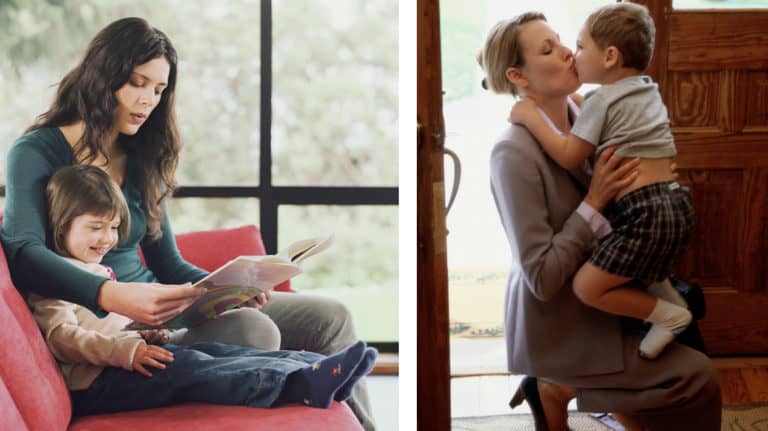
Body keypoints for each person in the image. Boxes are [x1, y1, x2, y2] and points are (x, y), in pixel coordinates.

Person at [0, 17, 376, 429]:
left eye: (159, 90)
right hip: (116, 324)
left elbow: (169, 265)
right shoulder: (37, 152)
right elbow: (23, 251)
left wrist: (231, 289)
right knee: (252, 330)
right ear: (102, 77)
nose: (148, 100)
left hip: (166, 304)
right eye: (138, 83)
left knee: (332, 317)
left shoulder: (142, 155)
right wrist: (110, 294)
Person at [478, 11, 721, 431]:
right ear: (518, 76)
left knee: (690, 344)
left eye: (563, 41)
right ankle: (556, 382)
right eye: (548, 49)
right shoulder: (512, 152)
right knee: (698, 377)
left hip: (609, 297)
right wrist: (594, 201)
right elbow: (541, 277)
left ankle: (561, 389)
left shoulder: (587, 112)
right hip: (563, 322)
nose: (567, 52)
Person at [27, 164, 377, 416]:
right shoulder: (52, 276)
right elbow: (61, 337)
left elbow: (108, 325)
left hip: (126, 362)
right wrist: (126, 351)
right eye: (96, 227)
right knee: (199, 366)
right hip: (97, 383)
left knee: (217, 354)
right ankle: (298, 384)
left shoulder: (95, 268)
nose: (107, 238)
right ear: (61, 225)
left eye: (114, 227)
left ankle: (316, 366)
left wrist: (145, 337)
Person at [508, 3, 694, 360]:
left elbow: (569, 155)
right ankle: (669, 300)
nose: (572, 54)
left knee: (587, 287)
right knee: (641, 263)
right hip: (675, 201)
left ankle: (668, 317)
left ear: (609, 56)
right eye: (551, 48)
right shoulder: (644, 89)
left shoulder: (600, 101)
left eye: (579, 46)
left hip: (644, 211)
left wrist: (531, 116)